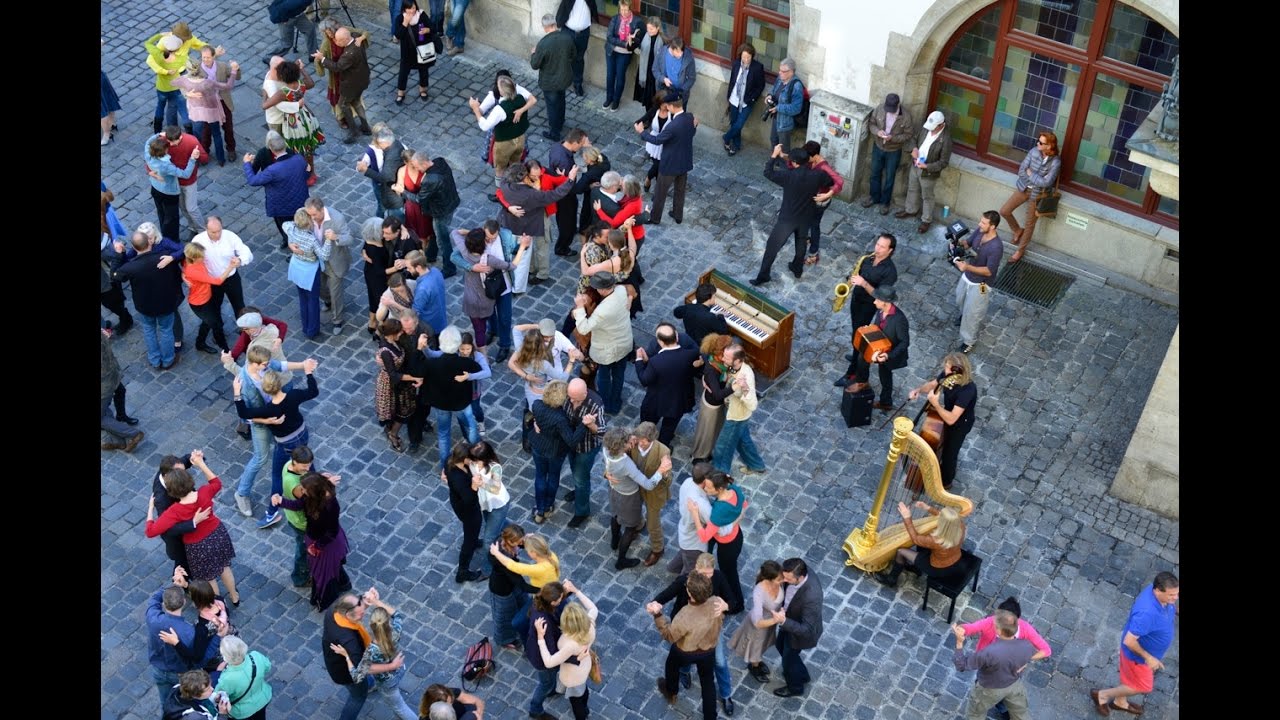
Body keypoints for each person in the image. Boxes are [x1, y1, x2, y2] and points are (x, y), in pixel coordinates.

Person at [145, 450, 241, 605]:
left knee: (209, 578)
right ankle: (234, 596)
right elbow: (216, 482)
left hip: (197, 545)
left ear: (173, 491)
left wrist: (150, 508)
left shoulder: (174, 511)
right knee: (224, 568)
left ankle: (219, 604)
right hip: (218, 534)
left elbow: (151, 531)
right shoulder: (204, 492)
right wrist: (201, 463)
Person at [234, 359, 322, 526]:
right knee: (307, 465)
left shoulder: (269, 410)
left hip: (286, 444)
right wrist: (309, 372)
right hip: (302, 434)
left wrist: (237, 393)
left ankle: (271, 513)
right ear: (279, 383)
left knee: (278, 476)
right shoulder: (293, 396)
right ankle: (318, 491)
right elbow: (313, 391)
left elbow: (244, 412)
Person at [651, 553, 736, 716]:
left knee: (672, 664)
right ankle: (710, 716)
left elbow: (669, 635)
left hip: (687, 648)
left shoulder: (684, 615)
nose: (707, 578)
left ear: (690, 593)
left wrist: (657, 614)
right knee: (708, 682)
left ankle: (672, 691)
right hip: (707, 649)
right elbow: (668, 593)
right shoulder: (715, 601)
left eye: (709, 575)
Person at [1091, 572, 1179, 717]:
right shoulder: (1146, 614)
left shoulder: (1159, 591)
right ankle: (1102, 695)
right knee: (1143, 686)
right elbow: (1129, 641)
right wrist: (1149, 658)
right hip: (1137, 658)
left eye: (1177, 594)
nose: (1175, 598)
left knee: (1129, 679)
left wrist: (1173, 607)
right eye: (1171, 595)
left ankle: (1120, 702)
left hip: (1147, 654)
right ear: (1157, 590)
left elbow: (1171, 603)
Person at [331, 588, 419, 720]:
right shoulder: (396, 631)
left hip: (386, 682)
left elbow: (357, 676)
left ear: (372, 626)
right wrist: (377, 601)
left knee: (399, 706)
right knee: (397, 703)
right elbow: (398, 615)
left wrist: (347, 656)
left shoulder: (371, 650)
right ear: (387, 623)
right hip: (400, 669)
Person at [751, 144, 833, 285]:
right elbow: (830, 181)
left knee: (772, 247)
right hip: (806, 216)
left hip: (787, 219)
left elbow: (768, 172)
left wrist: (774, 155)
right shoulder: (817, 175)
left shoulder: (788, 175)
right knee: (801, 244)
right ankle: (797, 268)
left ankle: (763, 276)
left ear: (794, 163)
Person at [960, 596, 1053, 720]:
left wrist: (1026, 660)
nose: (995, 620)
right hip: (992, 668)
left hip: (1000, 674)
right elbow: (972, 628)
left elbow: (1046, 650)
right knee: (1008, 693)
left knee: (979, 706)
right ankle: (1004, 708)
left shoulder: (1025, 628)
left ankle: (1003, 708)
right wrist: (962, 629)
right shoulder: (991, 621)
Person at [113, 229, 184, 370]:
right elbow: (183, 252)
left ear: (134, 248)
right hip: (165, 303)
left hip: (145, 306)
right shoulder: (165, 257)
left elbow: (115, 275)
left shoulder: (130, 267)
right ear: (150, 242)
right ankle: (168, 360)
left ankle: (155, 360)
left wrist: (119, 255)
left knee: (149, 330)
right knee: (166, 330)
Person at [835, 284, 909, 413]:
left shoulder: (899, 320)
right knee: (862, 357)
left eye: (877, 300)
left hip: (889, 352)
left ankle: (886, 402)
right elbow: (877, 326)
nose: (874, 301)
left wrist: (888, 355)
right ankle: (862, 381)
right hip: (876, 346)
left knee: (885, 376)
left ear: (885, 303)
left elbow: (904, 342)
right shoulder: (880, 311)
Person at [909, 352, 978, 489]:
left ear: (956, 370)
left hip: (960, 424)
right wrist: (918, 390)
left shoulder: (967, 390)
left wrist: (936, 404)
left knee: (949, 454)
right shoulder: (949, 375)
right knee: (939, 441)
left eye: (947, 367)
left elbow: (952, 419)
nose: (945, 369)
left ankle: (946, 482)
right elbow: (933, 384)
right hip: (947, 414)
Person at [600, 426, 666, 569]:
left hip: (614, 491)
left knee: (615, 516)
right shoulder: (626, 464)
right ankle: (621, 560)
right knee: (630, 527)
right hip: (628, 498)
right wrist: (660, 471)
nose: (633, 442)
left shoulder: (606, 449)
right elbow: (648, 485)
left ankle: (614, 541)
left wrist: (606, 473)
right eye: (629, 441)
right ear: (622, 446)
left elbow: (605, 465)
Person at [952, 610, 1037, 720]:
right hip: (1014, 684)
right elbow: (1036, 651)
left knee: (975, 714)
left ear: (999, 631)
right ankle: (1004, 709)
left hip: (989, 689)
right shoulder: (1027, 644)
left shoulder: (989, 652)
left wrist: (959, 642)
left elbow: (961, 665)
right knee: (1020, 714)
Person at [530, 380, 590, 523]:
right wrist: (584, 425)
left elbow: (536, 418)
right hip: (555, 452)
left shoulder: (536, 405)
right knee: (553, 477)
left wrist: (535, 423)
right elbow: (572, 440)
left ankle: (539, 510)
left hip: (538, 446)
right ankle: (548, 505)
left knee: (540, 476)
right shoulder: (561, 418)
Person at [687, 470, 748, 614]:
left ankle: (737, 604)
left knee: (729, 574)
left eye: (708, 488)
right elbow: (744, 505)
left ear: (719, 489)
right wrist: (735, 521)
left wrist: (695, 514)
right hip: (736, 535)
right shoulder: (734, 489)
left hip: (727, 546)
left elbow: (704, 536)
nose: (705, 489)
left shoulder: (719, 510)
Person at [572, 273, 633, 415]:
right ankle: (616, 402)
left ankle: (605, 404)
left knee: (604, 377)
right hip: (624, 342)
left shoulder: (603, 310)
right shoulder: (620, 291)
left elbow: (583, 327)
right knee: (619, 375)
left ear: (603, 290)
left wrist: (580, 307)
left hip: (607, 350)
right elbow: (629, 289)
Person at [535, 587, 600, 720]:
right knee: (583, 692)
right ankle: (585, 709)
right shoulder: (590, 624)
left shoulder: (570, 643)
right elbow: (593, 608)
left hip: (572, 676)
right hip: (585, 666)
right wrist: (576, 591)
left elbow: (549, 662)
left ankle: (582, 716)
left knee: (576, 702)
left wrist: (540, 637)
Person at [424, 326, 483, 467]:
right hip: (461, 404)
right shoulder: (467, 363)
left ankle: (445, 466)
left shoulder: (432, 363)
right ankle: (478, 455)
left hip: (441, 404)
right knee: (470, 427)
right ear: (458, 345)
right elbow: (480, 370)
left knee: (443, 434)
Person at [635, 91, 696, 226]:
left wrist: (642, 132)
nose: (667, 108)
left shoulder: (672, 126)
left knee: (660, 192)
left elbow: (657, 140)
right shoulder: (689, 118)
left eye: (668, 106)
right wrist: (695, 125)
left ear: (672, 106)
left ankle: (655, 218)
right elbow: (692, 132)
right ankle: (677, 215)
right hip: (684, 162)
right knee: (680, 191)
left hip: (670, 164)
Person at [635, 323, 700, 447]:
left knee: (648, 422)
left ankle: (645, 442)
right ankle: (663, 446)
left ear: (660, 341)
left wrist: (639, 360)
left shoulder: (655, 362)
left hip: (657, 400)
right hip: (679, 399)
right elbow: (699, 357)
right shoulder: (691, 354)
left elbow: (644, 380)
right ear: (676, 336)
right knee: (669, 427)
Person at [1002, 130, 1063, 262]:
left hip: (1038, 195)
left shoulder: (1055, 162)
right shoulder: (1033, 151)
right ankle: (1017, 230)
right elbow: (1021, 170)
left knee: (1029, 224)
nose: (1037, 143)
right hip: (1024, 188)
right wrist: (1035, 178)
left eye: (1041, 142)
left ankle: (1020, 250)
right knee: (1004, 211)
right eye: (1038, 140)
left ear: (1049, 146)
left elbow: (1047, 182)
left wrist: (1031, 175)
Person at [243, 131, 311, 251]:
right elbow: (306, 173)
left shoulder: (272, 170)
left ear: (271, 148)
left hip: (281, 205)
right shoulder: (299, 159)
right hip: (299, 200)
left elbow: (253, 181)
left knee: (284, 226)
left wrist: (247, 164)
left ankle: (293, 247)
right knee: (302, 225)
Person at [875, 500, 967, 587]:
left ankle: (891, 579)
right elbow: (945, 518)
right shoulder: (959, 526)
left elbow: (915, 538)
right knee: (924, 540)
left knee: (900, 551)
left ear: (943, 523)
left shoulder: (936, 541)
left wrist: (907, 518)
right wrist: (928, 508)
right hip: (955, 559)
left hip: (937, 568)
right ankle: (916, 567)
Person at [262, 60, 324, 185]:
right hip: (306, 118)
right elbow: (311, 83)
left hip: (294, 123)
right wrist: (302, 69)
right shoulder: (301, 85)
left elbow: (265, 106)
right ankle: (311, 173)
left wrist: (265, 93)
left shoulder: (283, 93)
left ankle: (299, 175)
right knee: (308, 148)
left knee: (296, 150)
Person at [469, 74, 535, 190]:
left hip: (504, 143)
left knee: (500, 168)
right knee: (516, 164)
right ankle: (515, 187)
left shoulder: (500, 109)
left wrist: (475, 109)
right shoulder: (520, 98)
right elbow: (532, 99)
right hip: (520, 139)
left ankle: (500, 191)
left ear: (502, 91)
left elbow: (485, 126)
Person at [771, 557, 824, 698]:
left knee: (788, 660)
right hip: (789, 620)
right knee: (780, 646)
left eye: (788, 579)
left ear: (800, 577)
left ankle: (795, 687)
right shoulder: (796, 572)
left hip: (798, 632)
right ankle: (802, 674)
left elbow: (806, 629)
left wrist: (783, 621)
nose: (784, 581)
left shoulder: (812, 597)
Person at [952, 210, 1004, 353]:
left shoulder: (996, 247)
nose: (979, 224)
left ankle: (968, 341)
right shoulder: (980, 231)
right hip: (968, 275)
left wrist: (967, 266)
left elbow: (988, 271)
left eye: (983, 223)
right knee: (960, 298)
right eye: (981, 221)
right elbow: (967, 244)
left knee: (974, 312)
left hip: (982, 284)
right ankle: (964, 314)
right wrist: (957, 243)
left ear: (993, 226)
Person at [524, 580, 576, 720]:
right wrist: (573, 658)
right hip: (542, 659)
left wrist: (569, 590)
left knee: (549, 681)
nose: (562, 599)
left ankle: (552, 689)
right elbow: (551, 654)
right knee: (544, 684)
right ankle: (535, 709)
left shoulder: (541, 602)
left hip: (537, 649)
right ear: (553, 602)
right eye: (560, 598)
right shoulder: (543, 622)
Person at [710, 345, 765, 476]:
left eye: (726, 358)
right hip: (732, 410)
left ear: (738, 360)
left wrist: (745, 388)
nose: (723, 359)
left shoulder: (746, 376)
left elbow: (752, 405)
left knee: (722, 448)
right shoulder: (733, 367)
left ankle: (720, 477)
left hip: (736, 416)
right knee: (742, 441)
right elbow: (727, 376)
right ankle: (756, 465)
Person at [895, 109, 953, 234]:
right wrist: (914, 149)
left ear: (941, 125)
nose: (930, 129)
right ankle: (910, 209)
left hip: (928, 172)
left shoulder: (946, 140)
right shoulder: (926, 128)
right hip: (915, 165)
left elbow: (943, 162)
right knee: (912, 188)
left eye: (934, 128)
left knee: (927, 196)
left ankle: (926, 220)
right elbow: (913, 139)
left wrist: (927, 166)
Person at [729, 559, 785, 683]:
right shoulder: (759, 592)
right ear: (769, 579)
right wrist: (776, 619)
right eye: (779, 580)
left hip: (770, 623)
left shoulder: (778, 581)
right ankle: (754, 667)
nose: (783, 581)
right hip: (759, 627)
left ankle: (758, 663)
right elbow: (757, 622)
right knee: (756, 648)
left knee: (764, 644)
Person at [150, 455, 207, 572]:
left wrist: (195, 457)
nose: (184, 475)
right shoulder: (162, 499)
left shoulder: (171, 469)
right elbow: (167, 528)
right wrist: (193, 522)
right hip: (177, 540)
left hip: (189, 525)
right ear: (167, 476)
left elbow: (185, 460)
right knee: (182, 563)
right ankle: (181, 587)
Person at [629, 421, 675, 567]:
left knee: (653, 523)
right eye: (639, 439)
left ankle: (658, 549)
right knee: (634, 510)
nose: (640, 443)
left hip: (654, 493)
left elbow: (668, 482)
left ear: (652, 440)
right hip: (636, 487)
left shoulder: (663, 451)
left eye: (644, 441)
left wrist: (665, 472)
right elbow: (618, 456)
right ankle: (638, 525)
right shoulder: (633, 442)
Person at [282, 208, 332, 340]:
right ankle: (312, 330)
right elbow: (324, 255)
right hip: (309, 271)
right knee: (313, 300)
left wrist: (290, 243)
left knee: (303, 299)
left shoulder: (291, 229)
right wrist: (328, 240)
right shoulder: (311, 240)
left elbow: (284, 224)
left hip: (296, 267)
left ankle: (305, 327)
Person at [193, 216, 253, 324]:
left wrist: (240, 259)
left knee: (239, 305)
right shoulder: (198, 241)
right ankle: (218, 332)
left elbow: (246, 252)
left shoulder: (230, 236)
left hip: (231, 278)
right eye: (213, 232)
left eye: (219, 231)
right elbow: (191, 261)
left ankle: (244, 329)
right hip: (212, 281)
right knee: (214, 307)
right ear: (206, 229)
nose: (217, 235)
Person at [143, 133, 201, 244]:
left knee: (161, 213)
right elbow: (185, 174)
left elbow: (147, 142)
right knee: (172, 219)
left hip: (155, 189)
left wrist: (158, 134)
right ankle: (172, 241)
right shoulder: (166, 166)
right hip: (168, 194)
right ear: (164, 151)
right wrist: (192, 159)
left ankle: (164, 235)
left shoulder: (148, 155)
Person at [564, 377, 606, 527]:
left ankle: (582, 512)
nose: (572, 402)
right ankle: (578, 492)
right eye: (570, 398)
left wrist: (592, 425)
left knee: (581, 479)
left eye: (576, 400)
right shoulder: (569, 395)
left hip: (586, 447)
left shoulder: (596, 404)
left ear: (585, 393)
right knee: (575, 470)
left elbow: (601, 432)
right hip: (571, 443)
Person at [315, 18, 372, 131]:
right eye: (325, 33)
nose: (328, 35)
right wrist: (320, 67)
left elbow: (365, 33)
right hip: (340, 76)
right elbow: (319, 58)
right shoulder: (328, 43)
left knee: (345, 102)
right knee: (339, 99)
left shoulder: (348, 35)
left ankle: (354, 130)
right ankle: (342, 118)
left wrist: (361, 38)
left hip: (349, 77)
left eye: (328, 32)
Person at [863, 93, 915, 216]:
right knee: (874, 173)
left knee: (890, 178)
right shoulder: (880, 109)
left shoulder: (906, 117)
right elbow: (871, 123)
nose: (890, 111)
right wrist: (878, 132)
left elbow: (908, 134)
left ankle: (885, 203)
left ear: (898, 105)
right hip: (878, 146)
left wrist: (893, 138)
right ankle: (874, 197)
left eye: (892, 109)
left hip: (894, 151)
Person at [181, 242, 237, 354]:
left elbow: (183, 265)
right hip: (199, 304)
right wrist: (230, 267)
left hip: (207, 298)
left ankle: (200, 343)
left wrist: (182, 274)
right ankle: (225, 349)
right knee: (215, 325)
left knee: (207, 323)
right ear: (194, 257)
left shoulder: (188, 261)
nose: (204, 257)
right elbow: (218, 281)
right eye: (201, 256)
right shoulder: (193, 271)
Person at [444, 440, 488, 583]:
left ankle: (474, 540)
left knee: (471, 534)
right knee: (469, 538)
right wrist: (475, 485)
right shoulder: (458, 478)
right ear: (464, 459)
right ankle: (462, 571)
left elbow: (444, 470)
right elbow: (469, 500)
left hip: (458, 502)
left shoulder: (450, 460)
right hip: (467, 509)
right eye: (471, 458)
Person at [530, 14, 576, 141]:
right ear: (554, 24)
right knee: (561, 101)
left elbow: (535, 64)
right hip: (564, 78)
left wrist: (533, 53)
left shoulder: (543, 44)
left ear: (545, 27)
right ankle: (560, 122)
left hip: (550, 82)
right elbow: (573, 55)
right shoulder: (567, 37)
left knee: (552, 106)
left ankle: (554, 132)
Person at [488, 524, 532, 651]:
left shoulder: (506, 542)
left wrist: (528, 541)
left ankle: (525, 625)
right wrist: (539, 589)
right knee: (504, 615)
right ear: (510, 541)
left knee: (523, 603)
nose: (521, 544)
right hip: (502, 589)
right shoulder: (499, 555)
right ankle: (504, 639)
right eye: (519, 542)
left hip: (512, 583)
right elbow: (520, 582)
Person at [278, 446, 317, 588]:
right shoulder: (293, 483)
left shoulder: (288, 465)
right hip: (301, 522)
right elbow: (305, 501)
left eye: (309, 465)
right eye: (304, 466)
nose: (308, 468)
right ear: (294, 462)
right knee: (303, 551)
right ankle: (300, 578)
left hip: (294, 517)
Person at [101, 330, 146, 452]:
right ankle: (118, 441)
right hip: (112, 372)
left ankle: (133, 434)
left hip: (104, 383)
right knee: (107, 406)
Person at [844, 233, 899, 332]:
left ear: (890, 250)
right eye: (877, 244)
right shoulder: (867, 257)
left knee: (860, 330)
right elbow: (858, 271)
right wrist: (851, 277)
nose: (877, 249)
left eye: (882, 247)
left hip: (868, 305)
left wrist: (864, 283)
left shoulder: (890, 272)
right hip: (856, 297)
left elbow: (880, 296)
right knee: (854, 325)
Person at [549, 129, 591, 256]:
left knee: (569, 219)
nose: (583, 146)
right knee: (566, 221)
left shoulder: (558, 146)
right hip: (564, 196)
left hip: (562, 192)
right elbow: (569, 186)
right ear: (575, 143)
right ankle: (562, 247)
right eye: (582, 144)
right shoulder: (565, 162)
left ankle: (571, 230)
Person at [802, 140, 844, 265]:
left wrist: (828, 194)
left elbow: (840, 181)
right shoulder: (812, 161)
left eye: (807, 157)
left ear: (814, 155)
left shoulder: (824, 166)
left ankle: (813, 254)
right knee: (808, 220)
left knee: (815, 225)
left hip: (820, 202)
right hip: (811, 199)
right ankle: (808, 239)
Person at [144, 32, 194, 133]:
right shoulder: (181, 58)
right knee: (183, 110)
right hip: (176, 88)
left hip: (162, 88)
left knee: (160, 107)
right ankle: (189, 131)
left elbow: (147, 43)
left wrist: (159, 35)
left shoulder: (158, 55)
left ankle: (157, 131)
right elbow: (190, 66)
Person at [212, 636, 273, 720]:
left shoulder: (227, 678)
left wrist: (217, 673)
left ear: (225, 657)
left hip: (242, 712)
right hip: (263, 698)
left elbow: (218, 696)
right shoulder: (256, 656)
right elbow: (268, 667)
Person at [669, 462, 714, 575]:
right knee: (690, 571)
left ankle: (672, 568)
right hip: (694, 543)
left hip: (685, 533)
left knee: (684, 554)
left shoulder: (687, 482)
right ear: (705, 481)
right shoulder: (701, 504)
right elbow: (714, 523)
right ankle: (682, 588)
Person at [393, 1, 440, 107]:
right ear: (404, 9)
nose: (412, 11)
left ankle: (423, 90)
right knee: (403, 72)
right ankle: (401, 93)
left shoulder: (422, 15)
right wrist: (405, 23)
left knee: (423, 70)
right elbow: (398, 35)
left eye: (414, 8)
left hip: (422, 50)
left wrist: (427, 30)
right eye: (409, 9)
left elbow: (433, 28)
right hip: (407, 52)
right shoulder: (400, 18)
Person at [722, 44, 766, 157]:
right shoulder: (736, 64)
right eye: (744, 57)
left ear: (752, 56)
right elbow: (733, 80)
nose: (746, 59)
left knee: (739, 124)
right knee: (733, 123)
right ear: (740, 55)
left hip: (747, 101)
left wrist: (752, 98)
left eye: (748, 57)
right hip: (734, 99)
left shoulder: (757, 67)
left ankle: (726, 137)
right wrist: (729, 96)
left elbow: (760, 86)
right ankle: (736, 145)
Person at [358, 125, 407, 220]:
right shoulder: (395, 144)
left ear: (384, 142)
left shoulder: (392, 156)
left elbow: (385, 177)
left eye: (380, 144)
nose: (379, 147)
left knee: (394, 216)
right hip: (390, 188)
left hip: (392, 196)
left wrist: (366, 170)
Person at [603, 0, 643, 112]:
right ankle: (608, 98)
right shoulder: (615, 19)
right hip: (611, 51)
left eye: (626, 10)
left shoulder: (637, 21)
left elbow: (638, 40)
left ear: (630, 9)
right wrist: (625, 43)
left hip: (625, 54)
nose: (624, 12)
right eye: (621, 9)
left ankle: (616, 100)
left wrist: (633, 41)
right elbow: (609, 37)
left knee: (620, 76)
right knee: (610, 75)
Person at [763, 59, 805, 152]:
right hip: (775, 117)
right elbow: (774, 90)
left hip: (785, 122)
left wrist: (778, 108)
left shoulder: (796, 86)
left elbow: (796, 108)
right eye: (779, 70)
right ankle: (775, 160)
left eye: (783, 71)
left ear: (791, 72)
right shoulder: (779, 79)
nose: (779, 73)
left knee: (783, 148)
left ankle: (784, 166)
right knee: (773, 140)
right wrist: (769, 95)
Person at [556, 0, 596, 97]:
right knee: (564, 56)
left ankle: (577, 84)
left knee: (578, 59)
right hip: (568, 31)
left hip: (583, 33)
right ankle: (562, 80)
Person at [161, 669, 231, 720]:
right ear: (195, 695)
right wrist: (222, 714)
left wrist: (214, 699)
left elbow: (199, 700)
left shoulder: (179, 688)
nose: (212, 689)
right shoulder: (195, 717)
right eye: (207, 689)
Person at [633, 17, 665, 109]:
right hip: (645, 69)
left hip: (655, 73)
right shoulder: (644, 36)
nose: (649, 31)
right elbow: (637, 49)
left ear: (658, 28)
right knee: (647, 98)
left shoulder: (662, 40)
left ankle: (653, 116)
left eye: (651, 29)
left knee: (655, 97)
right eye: (648, 28)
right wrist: (634, 43)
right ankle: (648, 116)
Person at [658, 35, 696, 101]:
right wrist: (663, 79)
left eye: (682, 52)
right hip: (665, 90)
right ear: (672, 49)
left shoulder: (688, 58)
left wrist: (681, 91)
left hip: (681, 94)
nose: (680, 54)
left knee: (680, 111)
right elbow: (655, 69)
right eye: (678, 52)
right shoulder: (662, 52)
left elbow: (692, 78)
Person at [419, 685, 485, 720]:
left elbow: (477, 701)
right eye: (448, 704)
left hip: (463, 714)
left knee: (472, 709)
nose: (451, 705)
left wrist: (478, 715)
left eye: (452, 701)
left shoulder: (448, 694)